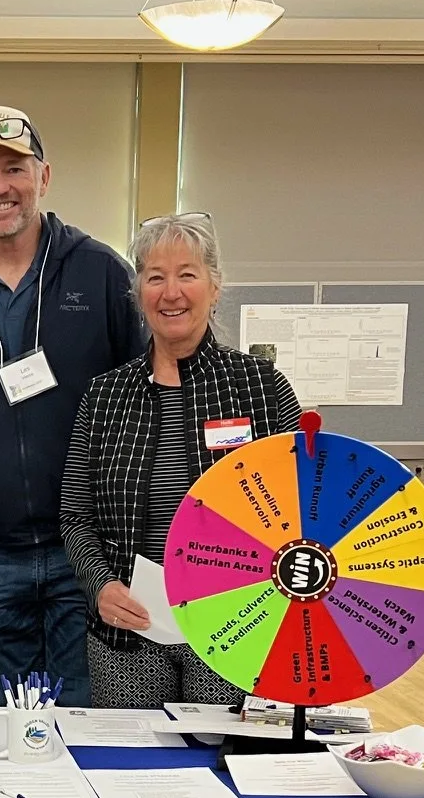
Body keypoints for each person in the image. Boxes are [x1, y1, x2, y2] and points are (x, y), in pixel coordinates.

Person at [0, 105, 145, 709]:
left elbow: (144, 404)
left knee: (85, 724)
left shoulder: (101, 274)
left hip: (85, 558)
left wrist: (114, 541)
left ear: (44, 175)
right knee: (8, 727)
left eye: (14, 168)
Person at [59, 214, 302, 707]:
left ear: (215, 287)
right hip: (129, 633)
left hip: (234, 626)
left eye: (187, 274)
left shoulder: (262, 389)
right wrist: (101, 586)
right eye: (155, 277)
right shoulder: (105, 397)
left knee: (221, 751)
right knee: (135, 754)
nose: (171, 293)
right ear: (138, 294)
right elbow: (75, 514)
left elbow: (303, 512)